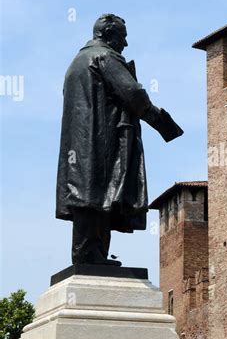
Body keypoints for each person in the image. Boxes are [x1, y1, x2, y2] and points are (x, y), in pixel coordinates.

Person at [56, 14, 183, 265]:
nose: (125, 44)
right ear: (108, 35)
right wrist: (163, 124)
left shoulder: (75, 64)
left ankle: (92, 256)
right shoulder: (105, 57)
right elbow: (134, 95)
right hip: (101, 143)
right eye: (122, 38)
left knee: (92, 197)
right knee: (98, 195)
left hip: (79, 147)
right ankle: (89, 256)